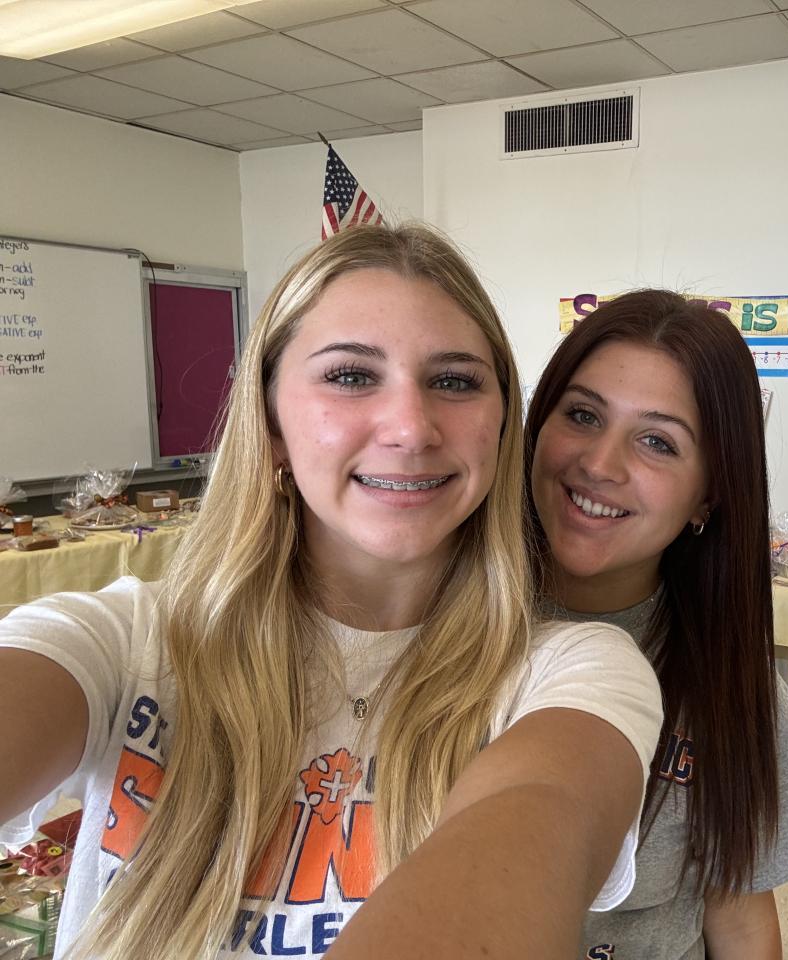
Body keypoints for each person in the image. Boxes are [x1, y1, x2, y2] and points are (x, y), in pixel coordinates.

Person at [0, 224, 663, 960]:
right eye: (350, 375)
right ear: (271, 423)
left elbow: (545, 817)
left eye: (454, 381)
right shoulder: (122, 643)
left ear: (502, 425)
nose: (411, 428)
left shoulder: (577, 674)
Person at [524, 290, 788, 959]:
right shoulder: (443, 623)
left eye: (657, 442)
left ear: (707, 496)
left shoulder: (728, 681)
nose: (599, 465)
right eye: (582, 414)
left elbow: (740, 912)